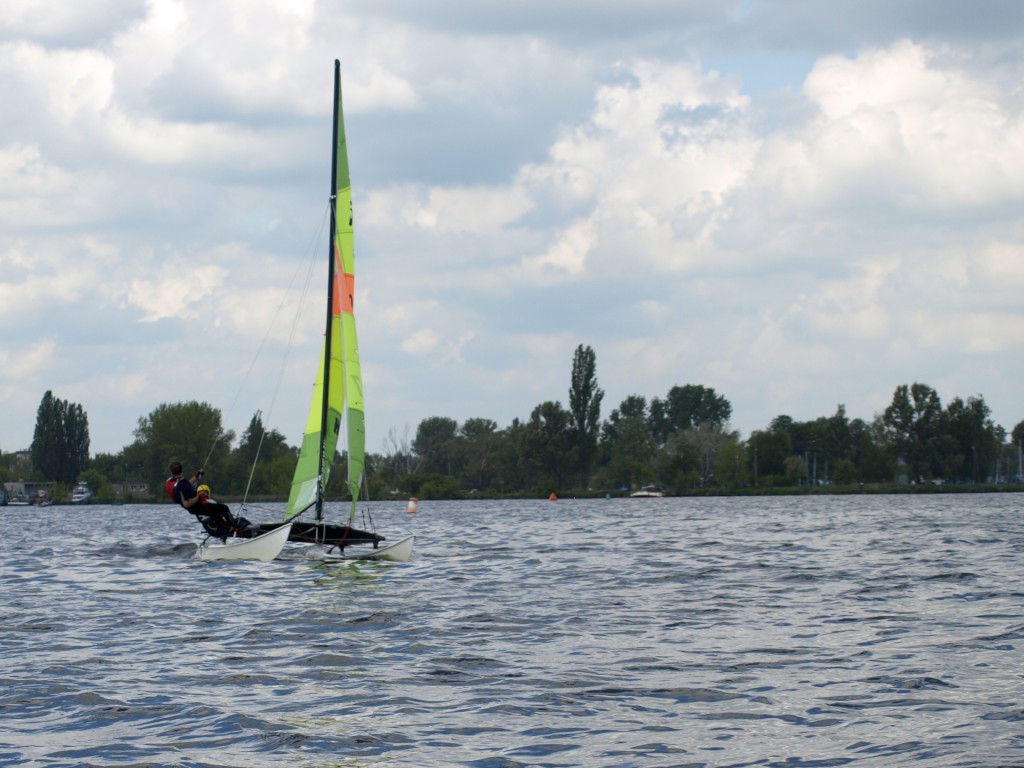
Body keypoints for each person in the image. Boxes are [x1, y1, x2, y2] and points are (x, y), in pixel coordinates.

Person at [166, 461, 247, 540]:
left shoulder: (170, 481)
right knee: (223, 508)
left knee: (217, 511)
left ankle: (228, 528)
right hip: (197, 507)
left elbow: (186, 485)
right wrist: (198, 496)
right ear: (181, 470)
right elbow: (186, 504)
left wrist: (197, 476)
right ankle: (233, 528)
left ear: (171, 472)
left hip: (195, 506)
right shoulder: (182, 484)